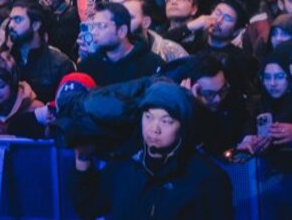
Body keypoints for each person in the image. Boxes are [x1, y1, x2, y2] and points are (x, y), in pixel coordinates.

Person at [72, 81, 233, 219]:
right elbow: (88, 208)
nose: (154, 129)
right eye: (148, 117)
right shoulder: (123, 167)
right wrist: (83, 159)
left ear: (183, 126)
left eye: (166, 121)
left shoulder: (208, 179)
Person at [77, 0, 162, 86]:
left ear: (122, 31)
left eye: (101, 26)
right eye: (93, 26)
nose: (94, 32)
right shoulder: (88, 66)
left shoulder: (152, 64)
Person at [6, 0, 75, 103]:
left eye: (17, 20)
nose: (11, 25)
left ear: (35, 25)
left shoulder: (60, 65)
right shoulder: (6, 60)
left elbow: (65, 107)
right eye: (10, 20)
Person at [123, 0, 188, 62]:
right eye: (121, 17)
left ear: (146, 22)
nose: (123, 22)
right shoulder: (114, 52)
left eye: (130, 17)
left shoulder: (171, 51)